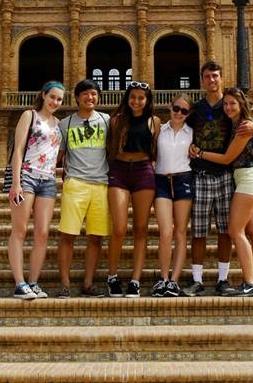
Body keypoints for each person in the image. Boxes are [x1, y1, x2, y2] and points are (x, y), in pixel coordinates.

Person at [183, 61, 253, 296]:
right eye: (207, 76)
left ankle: (223, 279)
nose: (211, 80)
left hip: (226, 176)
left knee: (225, 230)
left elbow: (250, 122)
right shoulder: (196, 109)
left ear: (221, 78)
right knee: (198, 231)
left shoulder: (228, 107)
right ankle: (197, 279)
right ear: (202, 80)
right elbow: (181, 129)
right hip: (201, 174)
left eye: (215, 76)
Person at [7, 81, 65, 299]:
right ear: (43, 95)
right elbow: (18, 149)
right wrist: (16, 182)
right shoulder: (29, 115)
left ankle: (33, 282)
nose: (55, 102)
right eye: (52, 97)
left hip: (48, 180)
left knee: (42, 233)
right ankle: (19, 283)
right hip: (27, 177)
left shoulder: (59, 124)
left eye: (59, 99)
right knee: (20, 230)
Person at [56, 78, 111, 298]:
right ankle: (64, 284)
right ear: (77, 97)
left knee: (96, 237)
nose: (90, 97)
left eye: (94, 94)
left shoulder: (107, 121)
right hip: (75, 183)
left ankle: (88, 283)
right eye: (86, 93)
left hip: (101, 184)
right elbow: (57, 155)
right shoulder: (65, 123)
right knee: (67, 235)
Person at [106, 81, 160, 298]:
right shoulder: (116, 120)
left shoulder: (155, 121)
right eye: (133, 97)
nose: (136, 101)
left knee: (140, 228)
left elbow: (157, 150)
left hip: (143, 171)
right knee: (119, 227)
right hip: (119, 170)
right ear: (127, 98)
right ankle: (112, 276)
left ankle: (135, 280)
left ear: (147, 100)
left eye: (141, 98)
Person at [152, 93, 193, 298]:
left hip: (183, 179)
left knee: (180, 232)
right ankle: (163, 278)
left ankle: (174, 280)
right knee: (166, 231)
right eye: (176, 108)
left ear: (189, 114)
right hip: (161, 180)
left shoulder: (192, 133)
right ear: (170, 107)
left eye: (184, 111)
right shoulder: (159, 130)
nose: (179, 113)